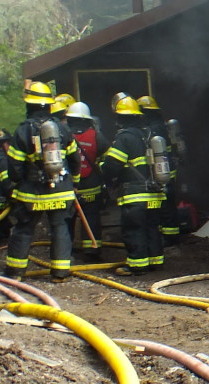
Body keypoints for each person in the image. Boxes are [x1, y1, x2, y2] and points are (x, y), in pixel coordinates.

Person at [2, 81, 80, 282]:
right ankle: (60, 273)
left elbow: (15, 165)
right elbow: (75, 159)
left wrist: (18, 182)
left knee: (24, 229)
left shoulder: (23, 131)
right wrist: (74, 181)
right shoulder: (62, 129)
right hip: (61, 190)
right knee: (60, 227)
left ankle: (15, 273)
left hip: (33, 192)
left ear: (29, 105)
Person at [100, 93, 165, 275]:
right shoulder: (149, 134)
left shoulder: (125, 138)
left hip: (135, 195)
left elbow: (112, 165)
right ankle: (155, 261)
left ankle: (137, 266)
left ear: (120, 118)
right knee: (152, 228)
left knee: (134, 230)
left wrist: (103, 170)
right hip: (155, 193)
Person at [137, 93, 183, 242]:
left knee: (166, 204)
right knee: (167, 202)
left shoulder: (153, 129)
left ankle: (170, 236)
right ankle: (170, 233)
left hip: (163, 171)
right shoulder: (160, 125)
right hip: (167, 169)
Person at [65, 101, 107, 261]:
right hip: (92, 186)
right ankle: (92, 250)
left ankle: (66, 250)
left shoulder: (63, 135)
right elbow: (107, 159)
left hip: (70, 186)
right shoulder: (96, 136)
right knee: (91, 217)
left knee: (67, 219)